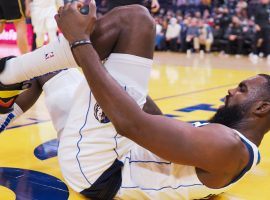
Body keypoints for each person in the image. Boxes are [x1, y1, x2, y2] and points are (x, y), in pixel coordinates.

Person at [0, 2, 266, 200]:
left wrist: (80, 42)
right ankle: (7, 91)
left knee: (135, 20)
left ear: (262, 107)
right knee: (49, 69)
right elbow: (158, 125)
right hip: (105, 153)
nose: (231, 90)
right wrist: (115, 68)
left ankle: (8, 73)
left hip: (100, 170)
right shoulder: (234, 148)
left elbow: (132, 125)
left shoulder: (228, 147)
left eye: (242, 89)